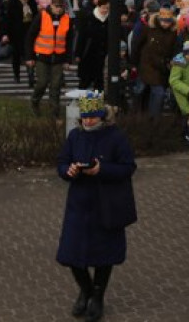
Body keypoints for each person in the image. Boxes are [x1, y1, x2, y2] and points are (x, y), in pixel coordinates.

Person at [56, 91, 137, 322]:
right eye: (85, 117)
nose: (88, 121)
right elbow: (62, 162)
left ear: (102, 116)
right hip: (79, 205)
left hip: (106, 204)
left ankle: (98, 296)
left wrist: (102, 170)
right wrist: (68, 171)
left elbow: (128, 167)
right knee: (71, 254)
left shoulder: (116, 137)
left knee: (104, 255)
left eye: (93, 117)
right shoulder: (75, 136)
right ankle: (87, 290)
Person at [25, 0, 75, 118]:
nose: (58, 9)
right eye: (56, 6)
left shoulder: (67, 19)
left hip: (58, 57)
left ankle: (54, 112)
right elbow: (30, 37)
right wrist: (29, 57)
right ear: (51, 5)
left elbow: (69, 41)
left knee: (56, 86)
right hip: (42, 56)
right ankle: (34, 102)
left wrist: (68, 60)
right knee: (42, 82)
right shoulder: (42, 16)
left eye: (61, 7)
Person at [3, 0, 37, 85]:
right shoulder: (13, 2)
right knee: (16, 55)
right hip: (16, 33)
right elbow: (8, 19)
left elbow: (35, 16)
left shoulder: (31, 1)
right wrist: (6, 34)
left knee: (29, 54)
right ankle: (16, 75)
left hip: (29, 32)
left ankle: (30, 75)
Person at [75, 0, 109, 91]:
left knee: (99, 83)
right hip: (88, 55)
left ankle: (97, 104)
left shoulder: (110, 20)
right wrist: (78, 53)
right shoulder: (89, 18)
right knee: (85, 81)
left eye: (107, 8)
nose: (105, 10)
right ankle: (83, 104)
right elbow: (81, 37)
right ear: (98, 6)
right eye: (103, 8)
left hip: (103, 56)